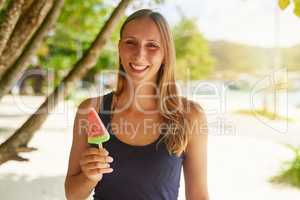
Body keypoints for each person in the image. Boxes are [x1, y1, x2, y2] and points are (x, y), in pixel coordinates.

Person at [64, 9, 209, 200]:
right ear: (119, 47)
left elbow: (198, 196)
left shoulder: (190, 116)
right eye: (130, 42)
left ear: (165, 53)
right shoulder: (90, 110)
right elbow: (72, 194)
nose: (140, 54)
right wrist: (89, 177)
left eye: (152, 46)